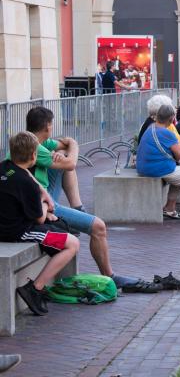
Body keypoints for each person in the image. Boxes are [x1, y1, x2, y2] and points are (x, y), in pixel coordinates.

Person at [25, 107, 156, 292]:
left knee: (62, 159)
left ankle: (78, 208)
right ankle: (109, 276)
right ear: (48, 126)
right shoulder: (36, 148)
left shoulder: (34, 142)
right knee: (98, 227)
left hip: (41, 196)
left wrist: (67, 150)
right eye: (52, 125)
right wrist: (74, 148)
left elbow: (65, 145)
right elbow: (71, 161)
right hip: (41, 205)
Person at [0, 132, 80, 316]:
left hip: (6, 224)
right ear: (34, 156)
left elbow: (26, 174)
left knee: (59, 228)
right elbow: (39, 219)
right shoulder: (24, 184)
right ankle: (35, 288)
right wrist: (45, 205)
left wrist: (42, 193)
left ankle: (37, 287)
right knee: (72, 243)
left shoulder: (5, 166)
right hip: (18, 232)